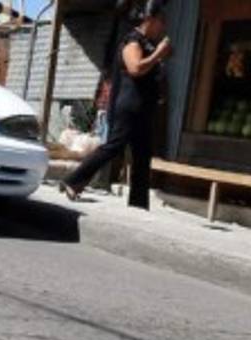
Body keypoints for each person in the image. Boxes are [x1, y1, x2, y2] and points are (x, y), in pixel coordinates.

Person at [60, 0, 172, 209]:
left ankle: (138, 204)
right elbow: (135, 68)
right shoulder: (133, 42)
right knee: (113, 147)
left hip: (142, 109)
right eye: (161, 21)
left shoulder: (148, 43)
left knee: (142, 155)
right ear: (150, 19)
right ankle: (72, 180)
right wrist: (158, 55)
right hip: (128, 107)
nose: (163, 26)